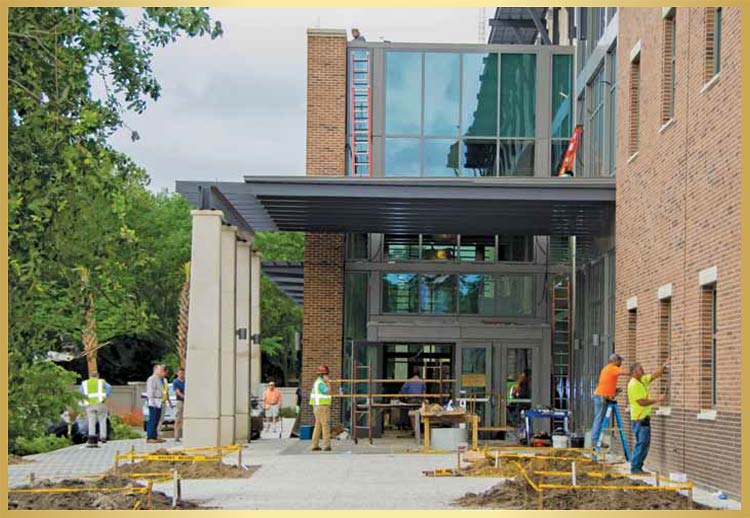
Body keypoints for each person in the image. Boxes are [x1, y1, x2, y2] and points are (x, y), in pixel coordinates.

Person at [627, 360, 669, 474]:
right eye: (640, 369)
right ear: (635, 372)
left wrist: (663, 367)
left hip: (643, 419)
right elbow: (641, 402)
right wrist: (657, 399)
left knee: (644, 443)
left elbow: (654, 376)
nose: (643, 370)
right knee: (642, 443)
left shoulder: (642, 380)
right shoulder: (634, 384)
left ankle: (638, 467)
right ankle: (635, 467)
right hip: (639, 419)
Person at [590, 353, 630, 449]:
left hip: (601, 395)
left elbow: (606, 383)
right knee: (599, 419)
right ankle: (595, 440)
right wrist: (637, 371)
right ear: (615, 361)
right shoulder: (613, 368)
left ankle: (597, 440)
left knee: (600, 418)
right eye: (620, 361)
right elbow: (627, 372)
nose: (621, 363)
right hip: (601, 396)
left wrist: (614, 391)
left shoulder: (607, 368)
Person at [80, 371, 112, 447]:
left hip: (89, 404)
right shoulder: (102, 381)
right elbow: (109, 387)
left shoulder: (84, 383)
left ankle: (91, 437)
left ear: (89, 376)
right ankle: (103, 437)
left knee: (91, 421)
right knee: (102, 420)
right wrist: (105, 395)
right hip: (100, 403)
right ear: (98, 376)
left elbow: (80, 392)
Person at [309, 365, 332, 451]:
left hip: (316, 406)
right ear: (324, 375)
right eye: (327, 375)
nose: (328, 376)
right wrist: (328, 383)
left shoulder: (317, 382)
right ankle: (327, 445)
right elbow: (327, 391)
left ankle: (314, 445)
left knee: (318, 425)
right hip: (322, 407)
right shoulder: (321, 383)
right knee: (325, 425)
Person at [146, 365, 166, 443]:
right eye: (160, 370)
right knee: (153, 419)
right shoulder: (152, 379)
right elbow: (150, 390)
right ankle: (150, 437)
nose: (161, 371)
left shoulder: (159, 379)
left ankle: (155, 436)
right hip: (154, 400)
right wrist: (152, 400)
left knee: (157, 419)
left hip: (159, 400)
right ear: (156, 370)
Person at [172, 368, 186, 442]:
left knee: (185, 419)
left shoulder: (186, 381)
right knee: (178, 418)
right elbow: (177, 392)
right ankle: (176, 436)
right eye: (180, 373)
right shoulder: (176, 382)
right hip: (180, 401)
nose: (182, 375)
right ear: (177, 373)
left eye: (183, 373)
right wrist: (184, 397)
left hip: (186, 401)